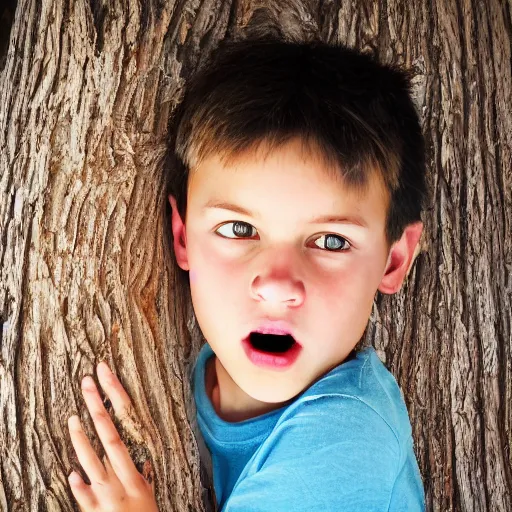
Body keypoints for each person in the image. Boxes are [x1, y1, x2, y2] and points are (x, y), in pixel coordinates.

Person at [67, 36, 427, 511]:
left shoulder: (350, 441)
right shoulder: (190, 370)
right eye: (239, 229)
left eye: (331, 240)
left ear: (394, 259)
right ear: (181, 237)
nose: (277, 284)